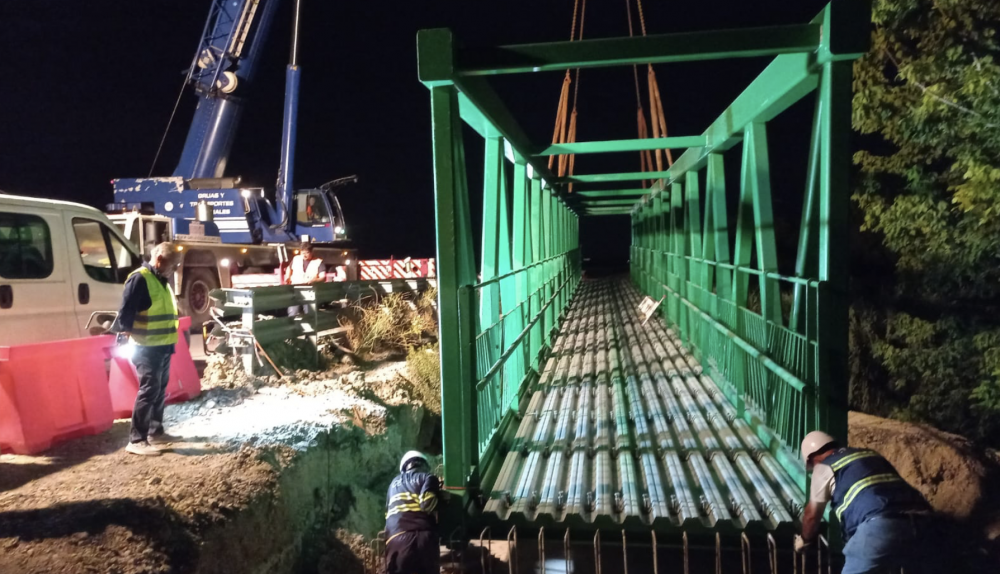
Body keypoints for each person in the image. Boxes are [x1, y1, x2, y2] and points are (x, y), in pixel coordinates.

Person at [795, 430, 940, 574]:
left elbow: (812, 516)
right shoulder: (870, 454)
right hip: (925, 522)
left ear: (813, 458)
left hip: (881, 527)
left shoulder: (823, 467)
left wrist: (805, 539)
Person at [111, 242, 181, 457]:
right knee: (149, 389)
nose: (174, 270)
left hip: (163, 344)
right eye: (173, 265)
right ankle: (137, 439)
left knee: (159, 388)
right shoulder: (140, 278)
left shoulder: (160, 280)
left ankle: (155, 430)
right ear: (160, 260)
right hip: (146, 346)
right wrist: (123, 335)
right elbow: (126, 312)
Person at [384, 451, 440, 574]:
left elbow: (387, 515)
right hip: (422, 539)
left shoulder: (392, 484)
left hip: (395, 540)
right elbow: (427, 503)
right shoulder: (427, 477)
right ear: (423, 465)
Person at [284, 242, 326, 316]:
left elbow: (323, 277)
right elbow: (288, 268)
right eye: (302, 253)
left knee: (309, 312)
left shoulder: (318, 262)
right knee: (293, 312)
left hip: (309, 290)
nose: (304, 255)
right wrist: (287, 277)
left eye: (307, 253)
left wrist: (314, 280)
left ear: (311, 252)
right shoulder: (296, 259)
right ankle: (293, 326)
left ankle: (309, 325)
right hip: (295, 288)